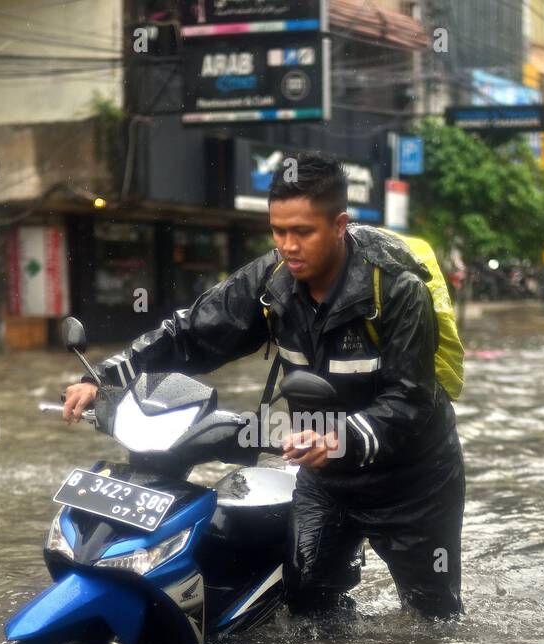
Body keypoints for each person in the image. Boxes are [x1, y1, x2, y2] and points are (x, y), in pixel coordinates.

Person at [61, 152, 464, 619]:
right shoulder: (273, 280)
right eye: (278, 231)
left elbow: (411, 400)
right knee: (307, 606)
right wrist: (105, 378)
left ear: (339, 225)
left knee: (433, 624)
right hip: (327, 476)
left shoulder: (396, 290)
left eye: (303, 232)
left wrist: (345, 437)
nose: (288, 246)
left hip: (415, 480)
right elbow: (193, 332)